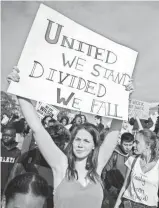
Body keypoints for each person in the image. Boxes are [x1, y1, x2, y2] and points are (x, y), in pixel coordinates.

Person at [7, 66, 133, 208]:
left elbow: (114, 132)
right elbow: (38, 129)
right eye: (77, 139)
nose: (80, 144)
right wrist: (19, 90)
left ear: (93, 146)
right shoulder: (61, 166)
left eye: (86, 141)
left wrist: (124, 97)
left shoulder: (97, 167)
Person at [114, 101, 159, 208]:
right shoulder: (132, 159)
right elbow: (125, 186)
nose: (133, 145)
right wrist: (116, 206)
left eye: (137, 142)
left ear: (148, 145)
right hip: (128, 204)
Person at [7, 122, 71, 208]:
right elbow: (10, 184)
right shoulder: (26, 158)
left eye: (62, 145)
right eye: (57, 144)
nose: (60, 148)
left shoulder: (67, 163)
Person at [102, 132, 134, 207]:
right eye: (125, 144)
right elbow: (105, 173)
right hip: (113, 191)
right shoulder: (114, 154)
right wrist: (110, 188)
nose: (128, 147)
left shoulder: (133, 155)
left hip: (127, 193)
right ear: (120, 142)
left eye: (130, 145)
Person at [1, 127, 21, 195]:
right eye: (4, 135)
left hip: (8, 185)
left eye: (8, 136)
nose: (5, 137)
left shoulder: (17, 152)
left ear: (14, 137)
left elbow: (16, 171)